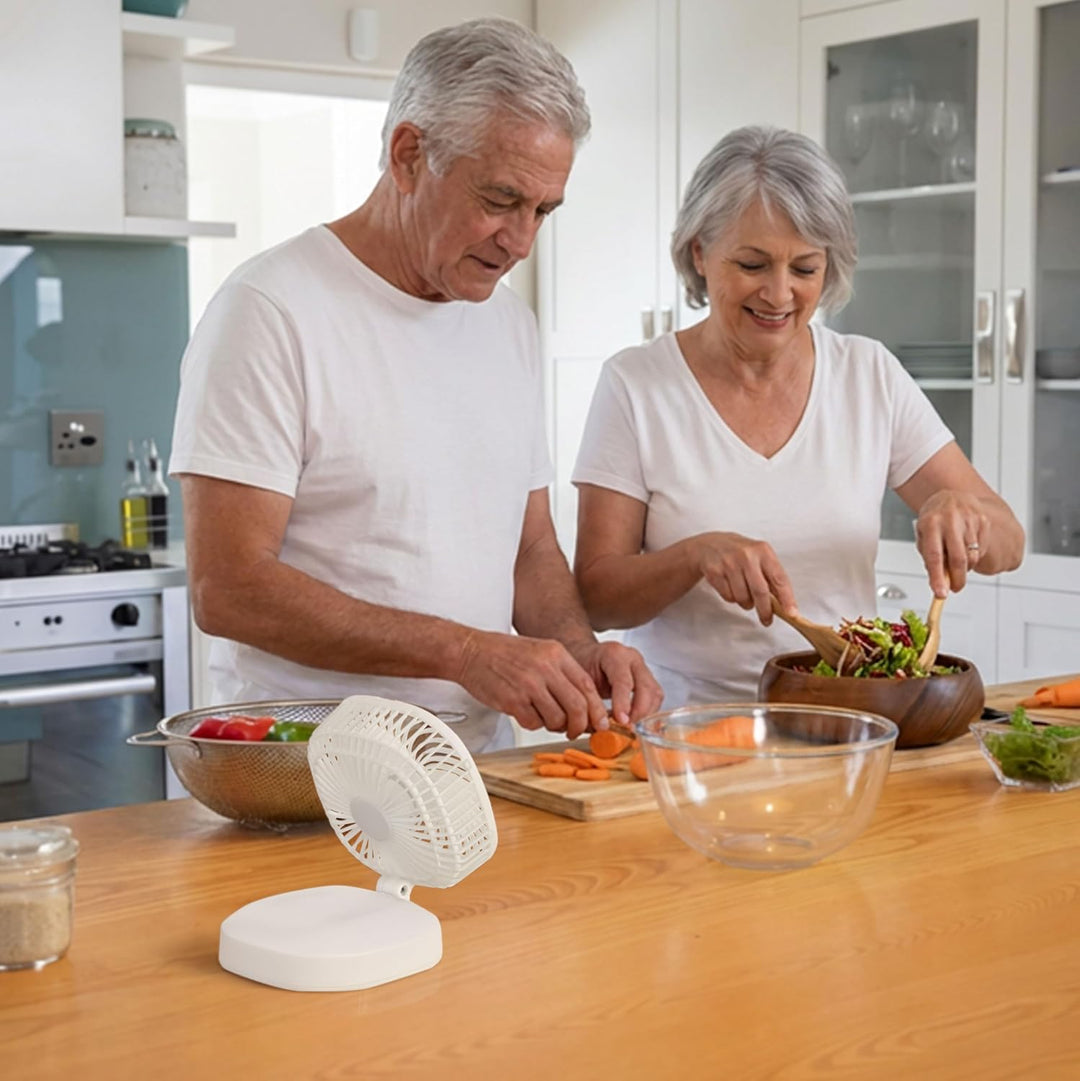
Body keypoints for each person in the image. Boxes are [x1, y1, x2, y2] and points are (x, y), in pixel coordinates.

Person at [169, 17, 662, 752]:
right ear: (409, 155)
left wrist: (579, 651)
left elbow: (529, 546)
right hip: (306, 776)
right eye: (500, 199)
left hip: (475, 772)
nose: (521, 241)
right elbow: (229, 587)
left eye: (543, 211)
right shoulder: (270, 311)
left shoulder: (508, 326)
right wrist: (466, 652)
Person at [571, 125, 1024, 708]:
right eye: (753, 264)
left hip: (846, 720)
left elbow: (1010, 541)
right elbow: (596, 596)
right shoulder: (636, 384)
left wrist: (964, 517)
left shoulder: (868, 374)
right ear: (699, 253)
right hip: (686, 728)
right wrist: (694, 556)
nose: (779, 294)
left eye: (805, 269)